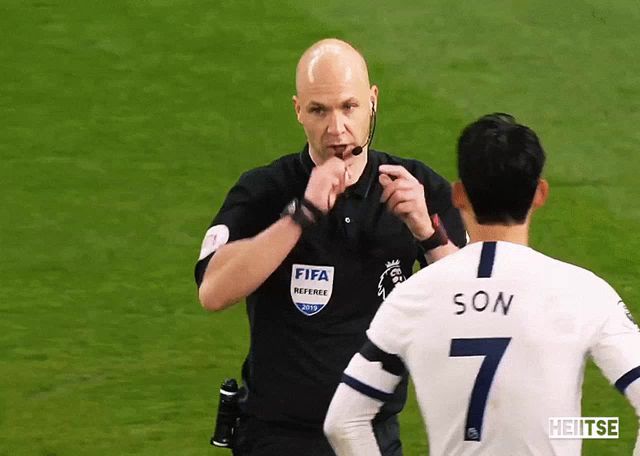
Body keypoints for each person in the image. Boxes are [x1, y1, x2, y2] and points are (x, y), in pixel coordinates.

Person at [195, 38, 466, 456]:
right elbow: (213, 292)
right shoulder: (265, 190)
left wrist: (427, 234)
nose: (336, 129)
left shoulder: (417, 188)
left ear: (373, 101)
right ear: (298, 110)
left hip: (372, 435)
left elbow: (469, 307)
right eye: (319, 110)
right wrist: (300, 215)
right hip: (276, 437)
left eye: (349, 106)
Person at [324, 113, 640, 455]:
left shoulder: (413, 297)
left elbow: (343, 422)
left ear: (458, 195)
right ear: (540, 194)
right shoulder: (584, 292)